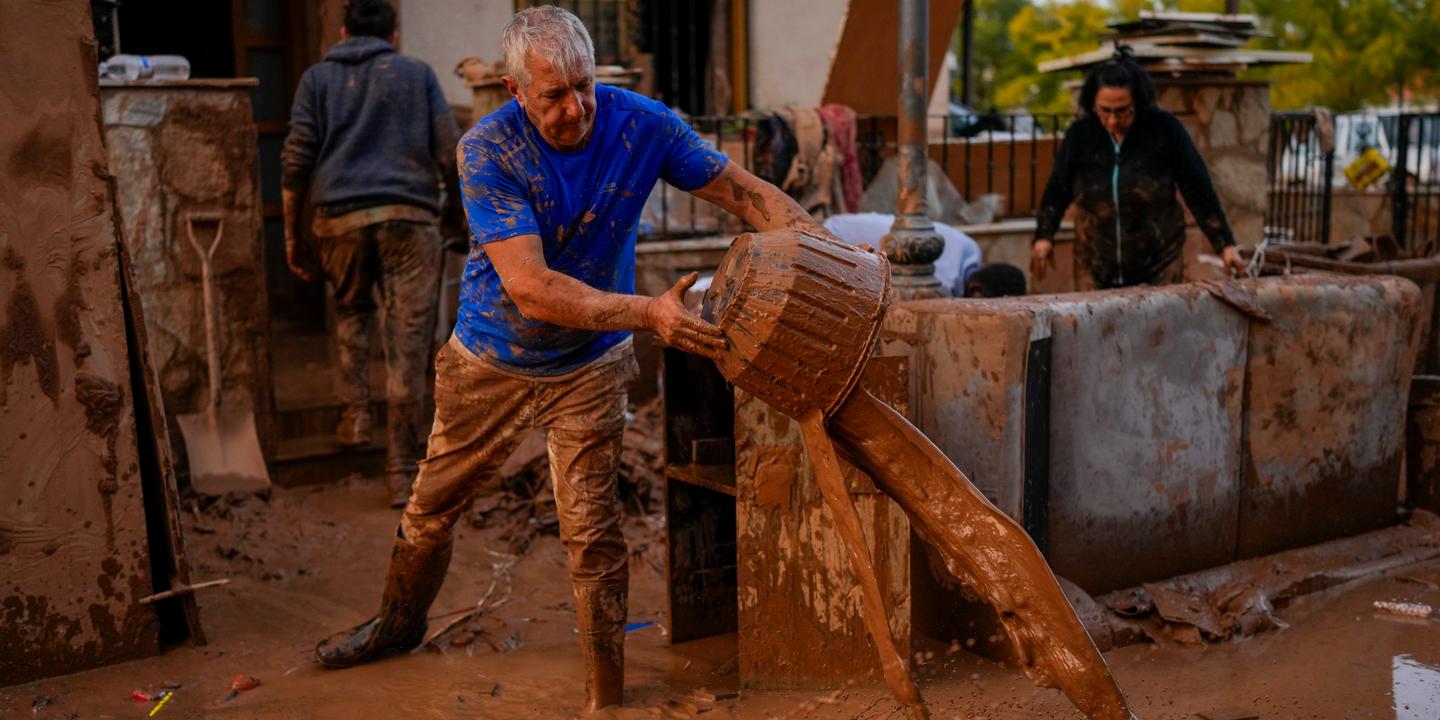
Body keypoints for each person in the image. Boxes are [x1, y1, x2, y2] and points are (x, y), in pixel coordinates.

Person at [313, 6, 836, 713]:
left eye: (584, 86)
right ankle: (395, 625)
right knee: (430, 511)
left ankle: (605, 696)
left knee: (593, 534)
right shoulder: (486, 151)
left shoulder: (641, 123)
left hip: (590, 365)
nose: (575, 108)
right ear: (515, 90)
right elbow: (532, 289)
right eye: (553, 95)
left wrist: (827, 254)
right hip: (490, 358)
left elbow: (743, 194)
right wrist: (651, 313)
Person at [281, 0, 462, 508]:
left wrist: (294, 238)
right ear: (394, 35)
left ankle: (355, 413)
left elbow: (296, 161)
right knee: (407, 344)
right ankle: (402, 472)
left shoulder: (317, 78)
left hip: (338, 220)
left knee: (351, 312)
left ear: (343, 32)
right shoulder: (417, 74)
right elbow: (451, 151)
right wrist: (455, 221)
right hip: (409, 221)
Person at [1031, 47, 1244, 289]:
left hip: (1159, 265)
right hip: (1095, 265)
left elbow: (1198, 188)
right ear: (1093, 103)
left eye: (1122, 111)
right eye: (1105, 110)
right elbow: (1058, 188)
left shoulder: (1165, 130)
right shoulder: (1081, 135)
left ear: (1139, 102)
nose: (1112, 120)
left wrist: (1225, 244)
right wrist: (1043, 236)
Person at [822, 212, 981, 297]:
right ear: (975, 289)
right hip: (832, 241)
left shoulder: (969, 246)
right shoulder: (947, 281)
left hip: (839, 226)